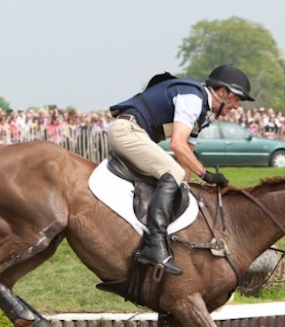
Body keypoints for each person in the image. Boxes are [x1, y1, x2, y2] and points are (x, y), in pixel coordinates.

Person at [108, 64, 254, 276]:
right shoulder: (193, 98)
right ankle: (154, 246)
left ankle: (157, 237)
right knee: (172, 173)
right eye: (236, 99)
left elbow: (186, 158)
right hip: (127, 131)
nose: (236, 106)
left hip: (136, 134)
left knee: (177, 180)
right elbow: (177, 144)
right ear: (222, 92)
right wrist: (206, 174)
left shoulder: (202, 115)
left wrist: (187, 190)